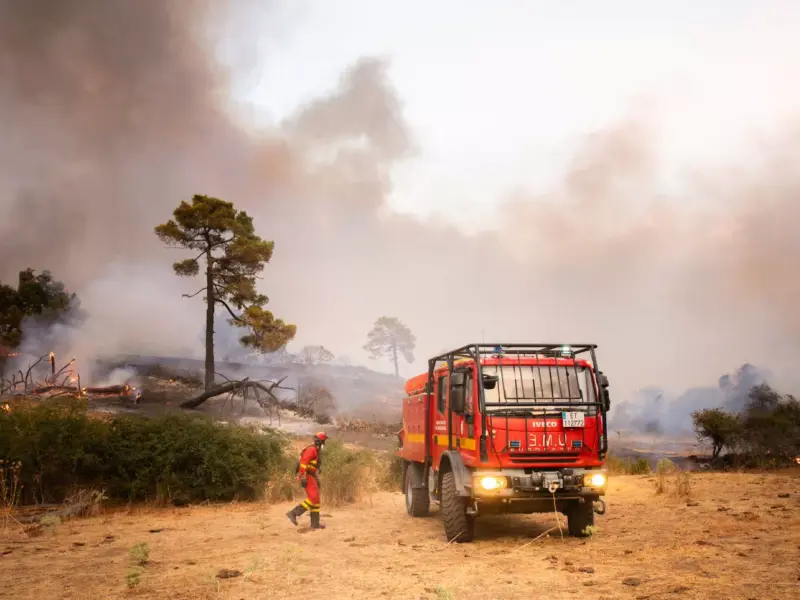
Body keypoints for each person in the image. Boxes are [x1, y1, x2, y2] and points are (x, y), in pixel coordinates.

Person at [286, 431, 327, 529]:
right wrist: (303, 476)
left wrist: (317, 469)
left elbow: (312, 464)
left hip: (311, 475)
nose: (324, 443)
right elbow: (303, 463)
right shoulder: (311, 450)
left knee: (316, 499)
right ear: (320, 441)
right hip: (307, 476)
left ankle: (315, 524)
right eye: (323, 441)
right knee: (313, 498)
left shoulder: (315, 450)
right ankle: (293, 513)